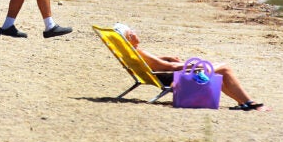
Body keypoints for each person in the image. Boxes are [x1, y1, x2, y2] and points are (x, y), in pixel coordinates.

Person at [114, 23, 268, 111]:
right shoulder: (139, 52)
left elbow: (157, 63)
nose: (136, 33)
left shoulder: (133, 53)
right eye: (132, 32)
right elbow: (170, 67)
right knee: (225, 68)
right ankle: (249, 103)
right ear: (130, 38)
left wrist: (165, 57)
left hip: (161, 75)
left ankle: (243, 103)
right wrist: (191, 64)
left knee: (218, 72)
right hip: (173, 77)